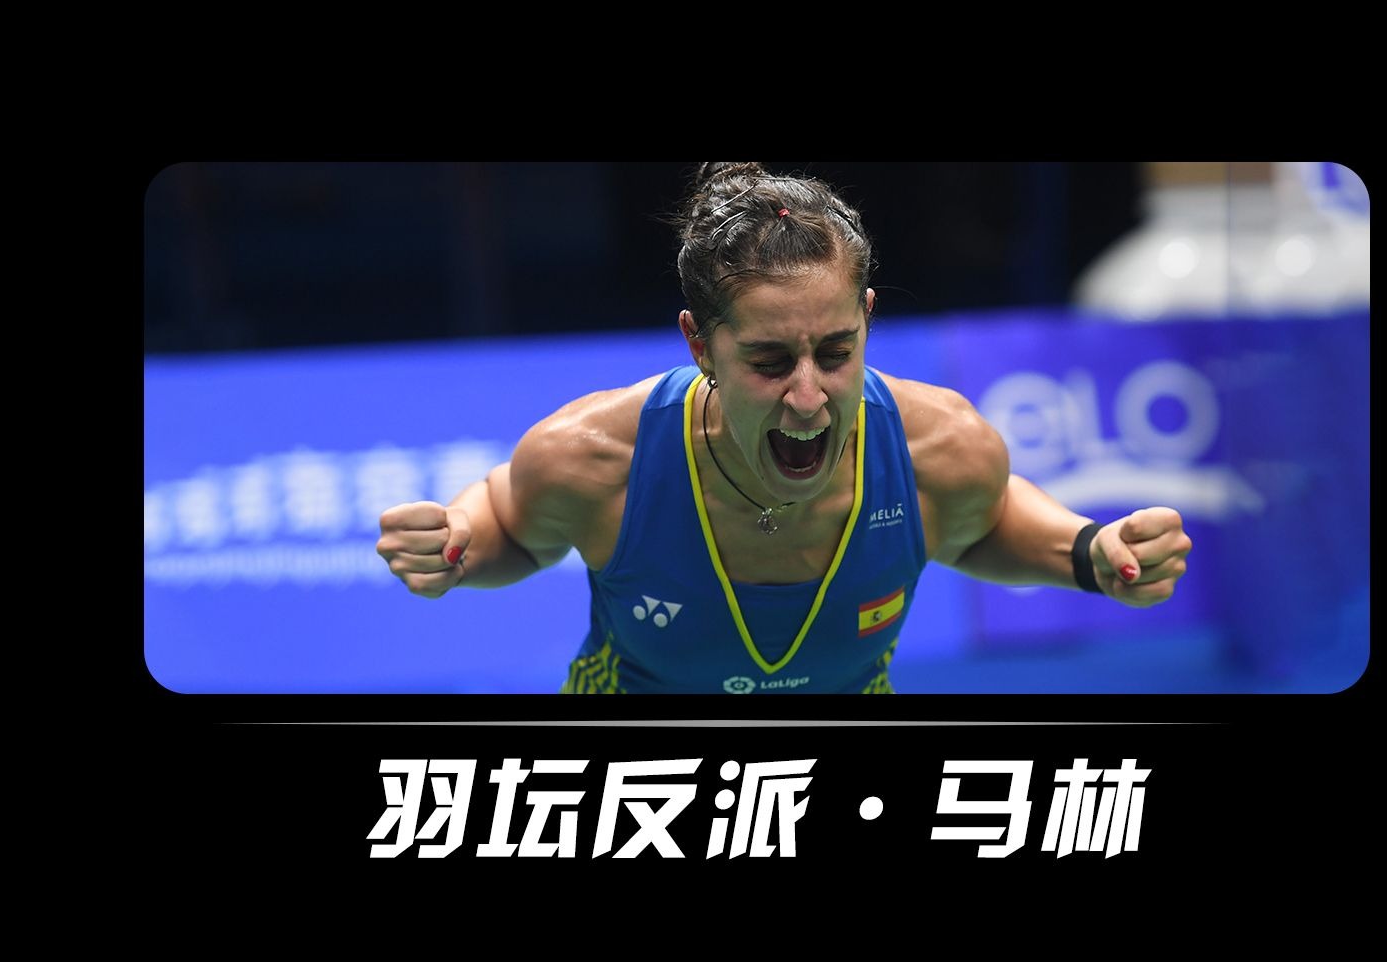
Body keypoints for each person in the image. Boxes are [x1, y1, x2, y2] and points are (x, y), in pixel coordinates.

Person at [376, 163, 1191, 694]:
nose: (808, 398)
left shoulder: (939, 447)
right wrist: (454, 546)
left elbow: (983, 523)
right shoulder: (595, 457)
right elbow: (510, 522)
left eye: (836, 353)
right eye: (769, 362)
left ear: (867, 318)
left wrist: (1091, 554)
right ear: (701, 344)